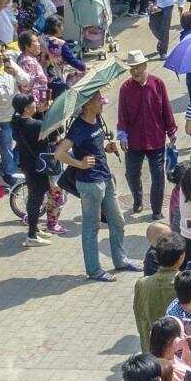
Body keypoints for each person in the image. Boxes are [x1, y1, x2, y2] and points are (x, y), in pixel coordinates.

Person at [54, 90, 136, 282]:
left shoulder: (97, 119)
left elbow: (95, 147)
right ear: (88, 104)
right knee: (91, 228)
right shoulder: (78, 127)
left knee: (117, 221)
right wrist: (80, 163)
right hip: (90, 184)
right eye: (99, 100)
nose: (103, 103)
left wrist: (107, 148)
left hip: (105, 178)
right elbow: (60, 153)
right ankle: (94, 270)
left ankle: (121, 261)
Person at [116, 53, 176, 220]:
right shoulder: (125, 88)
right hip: (133, 140)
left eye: (137, 67)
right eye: (131, 69)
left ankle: (156, 210)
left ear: (144, 66)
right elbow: (122, 114)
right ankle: (137, 198)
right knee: (131, 173)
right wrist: (122, 135)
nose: (134, 71)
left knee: (158, 175)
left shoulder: (157, 84)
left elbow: (166, 109)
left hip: (156, 138)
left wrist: (171, 130)